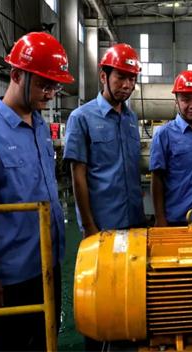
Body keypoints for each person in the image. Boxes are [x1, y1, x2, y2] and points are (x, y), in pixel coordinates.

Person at [0, 32, 73, 350]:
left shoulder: (40, 127)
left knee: (45, 341)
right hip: (13, 276)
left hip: (48, 265)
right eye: (44, 85)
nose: (50, 94)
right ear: (17, 75)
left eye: (55, 86)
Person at [64, 43, 146, 238]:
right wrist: (88, 226)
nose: (127, 85)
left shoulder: (131, 119)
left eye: (132, 79)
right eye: (121, 77)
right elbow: (78, 177)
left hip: (135, 220)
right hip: (102, 224)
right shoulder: (81, 118)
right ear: (103, 77)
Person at [150, 70, 192, 226]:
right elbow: (157, 178)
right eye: (186, 100)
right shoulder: (164, 134)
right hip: (177, 220)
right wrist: (160, 218)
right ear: (176, 102)